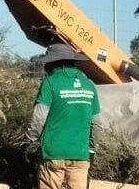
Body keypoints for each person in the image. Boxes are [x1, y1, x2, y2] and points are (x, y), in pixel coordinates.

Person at [27, 43, 101, 189]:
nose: (45, 67)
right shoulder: (89, 85)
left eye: (46, 63)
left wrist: (29, 142)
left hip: (53, 153)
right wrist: (91, 149)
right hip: (80, 155)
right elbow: (96, 123)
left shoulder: (50, 82)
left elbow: (39, 118)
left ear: (55, 63)